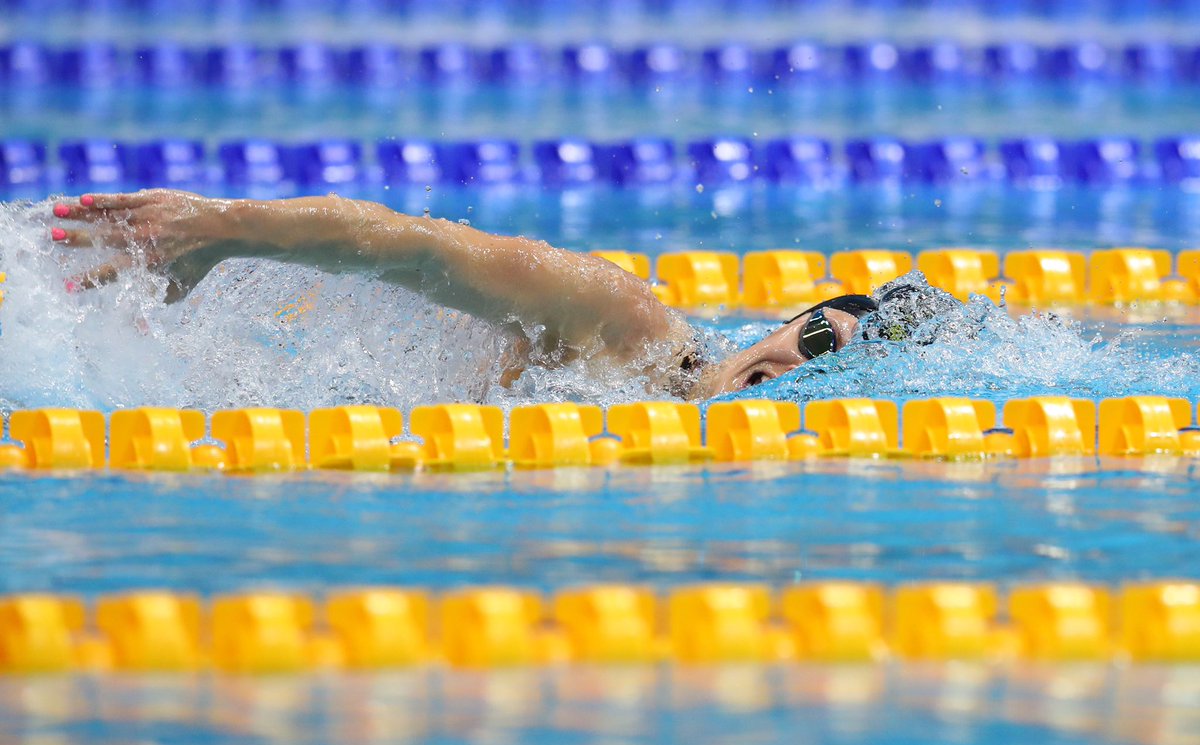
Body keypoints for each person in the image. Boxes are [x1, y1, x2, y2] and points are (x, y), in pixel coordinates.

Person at [49, 189, 888, 400]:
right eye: (816, 344)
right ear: (790, 319)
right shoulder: (629, 324)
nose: (798, 374)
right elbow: (413, 245)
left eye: (832, 379)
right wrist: (223, 227)